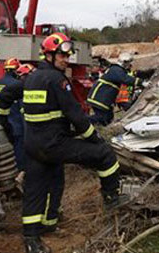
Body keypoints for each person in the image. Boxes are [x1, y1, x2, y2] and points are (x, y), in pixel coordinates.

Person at [21, 33, 127, 253]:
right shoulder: (57, 79)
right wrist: (94, 138)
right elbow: (76, 116)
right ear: (49, 55)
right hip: (53, 144)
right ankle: (112, 201)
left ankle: (33, 238)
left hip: (33, 145)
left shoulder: (31, 77)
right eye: (61, 55)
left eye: (67, 55)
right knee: (105, 155)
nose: (65, 59)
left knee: (39, 187)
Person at [0, 63, 35, 176]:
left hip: (8, 122)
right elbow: (23, 110)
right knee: (20, 152)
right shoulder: (21, 87)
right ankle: (21, 172)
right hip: (19, 124)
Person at [86, 52, 141, 125]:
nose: (130, 66)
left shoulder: (116, 70)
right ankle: (83, 122)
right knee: (102, 117)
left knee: (108, 117)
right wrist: (141, 82)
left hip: (102, 99)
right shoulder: (116, 70)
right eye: (128, 63)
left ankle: (96, 126)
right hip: (100, 99)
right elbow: (124, 79)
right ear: (124, 62)